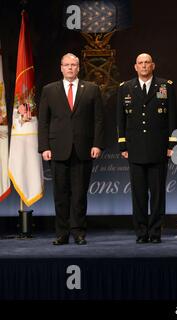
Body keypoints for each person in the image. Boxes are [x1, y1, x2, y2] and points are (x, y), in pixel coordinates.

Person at [38, 53, 105, 245]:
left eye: (73, 65)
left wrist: (97, 144)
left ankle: (78, 232)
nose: (70, 68)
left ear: (78, 67)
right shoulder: (49, 90)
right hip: (57, 149)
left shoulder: (91, 89)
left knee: (79, 194)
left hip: (83, 149)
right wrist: (44, 147)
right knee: (60, 194)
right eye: (66, 65)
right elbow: (43, 121)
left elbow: (99, 119)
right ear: (61, 67)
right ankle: (62, 233)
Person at [117, 53, 177, 244]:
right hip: (134, 148)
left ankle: (156, 232)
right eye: (140, 63)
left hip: (158, 148)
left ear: (153, 65)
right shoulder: (125, 88)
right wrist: (122, 144)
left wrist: (171, 144)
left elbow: (173, 117)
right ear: (135, 67)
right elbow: (120, 119)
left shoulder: (166, 86)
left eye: (147, 63)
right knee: (138, 194)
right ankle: (141, 232)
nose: (144, 66)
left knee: (158, 194)